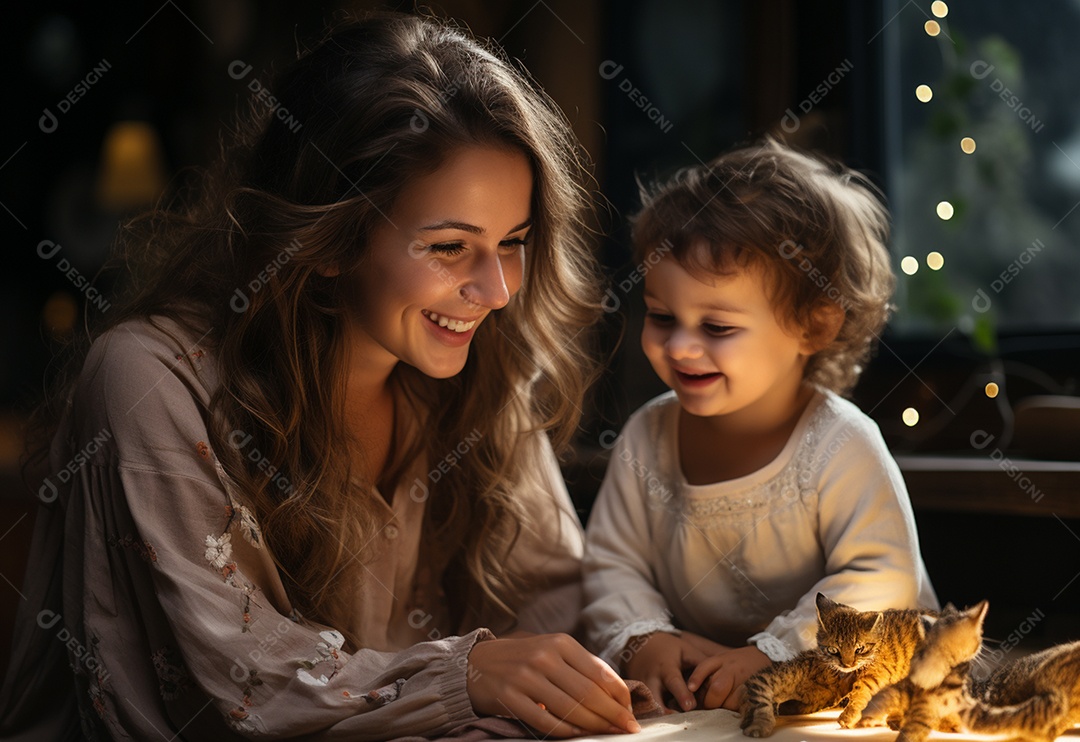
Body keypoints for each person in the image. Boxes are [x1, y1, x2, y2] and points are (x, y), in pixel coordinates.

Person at [0, 12, 643, 741]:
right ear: (327, 238)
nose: (496, 291)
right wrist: (463, 676)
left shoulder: (481, 370)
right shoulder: (151, 381)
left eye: (513, 243)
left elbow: (559, 610)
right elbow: (239, 692)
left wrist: (643, 650)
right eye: (448, 246)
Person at [582, 138, 939, 714]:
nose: (679, 346)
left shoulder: (840, 444)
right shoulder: (646, 439)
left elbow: (883, 576)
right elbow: (610, 562)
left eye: (717, 327)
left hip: (851, 695)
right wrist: (643, 638)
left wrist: (778, 652)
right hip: (709, 705)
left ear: (813, 326)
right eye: (663, 317)